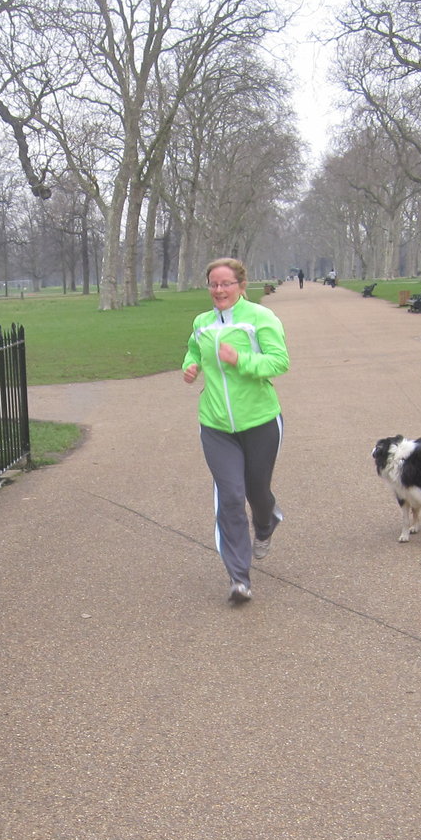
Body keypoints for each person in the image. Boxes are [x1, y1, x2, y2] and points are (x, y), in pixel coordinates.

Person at [182, 257, 290, 604]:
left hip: (260, 421)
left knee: (257, 492)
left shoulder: (259, 318)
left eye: (226, 283)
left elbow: (279, 361)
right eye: (213, 284)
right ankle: (239, 578)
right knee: (230, 496)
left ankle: (266, 522)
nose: (219, 290)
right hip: (216, 425)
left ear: (241, 286)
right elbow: (192, 351)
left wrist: (240, 360)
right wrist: (190, 366)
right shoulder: (202, 322)